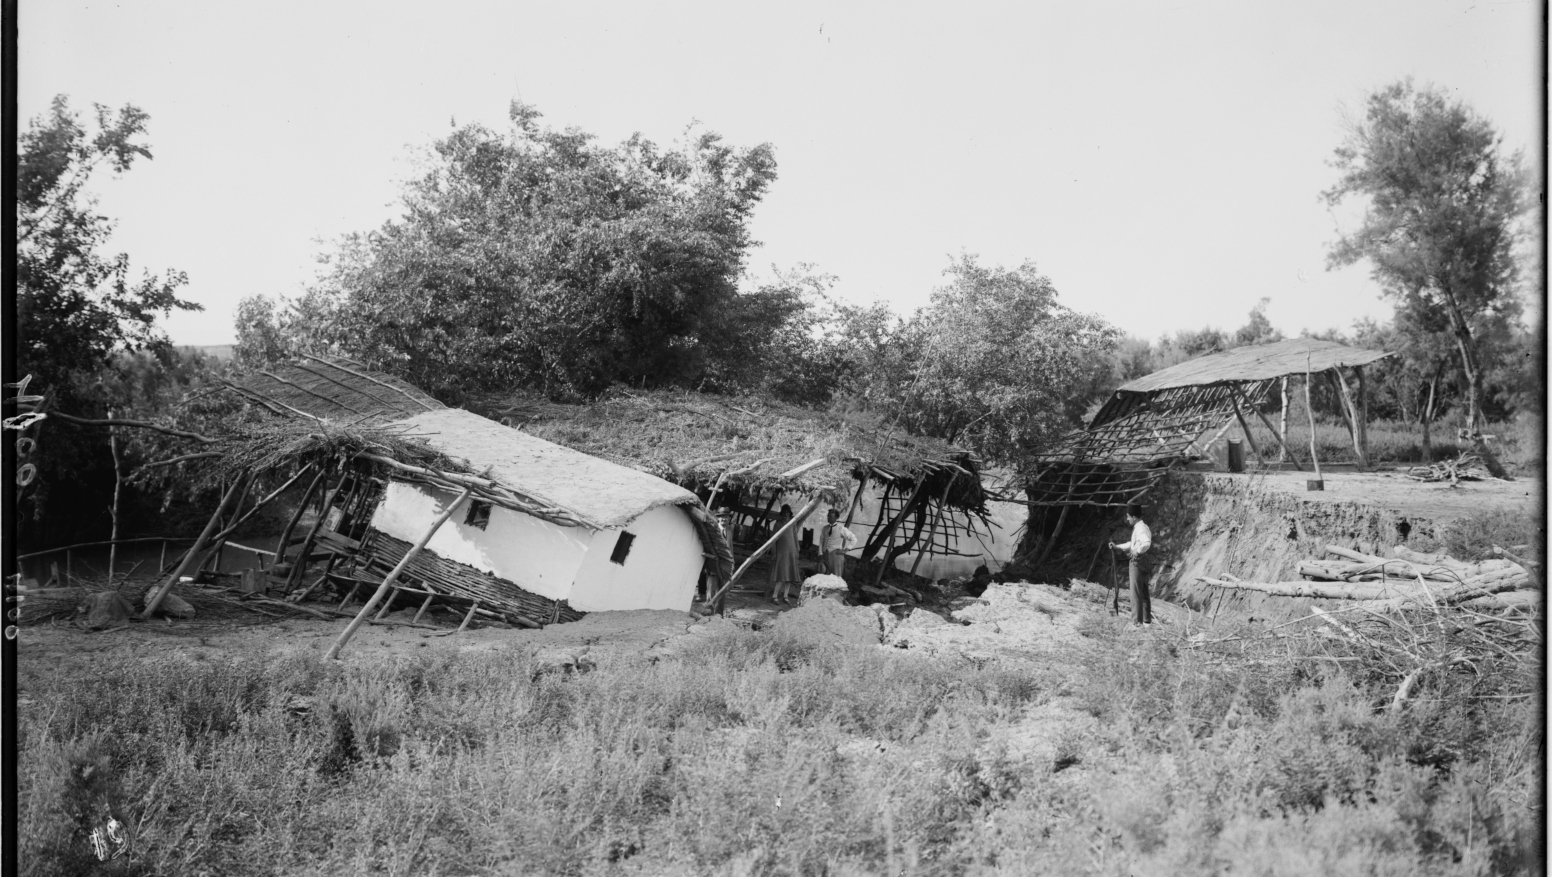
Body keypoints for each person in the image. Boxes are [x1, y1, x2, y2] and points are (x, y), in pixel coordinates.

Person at [1109, 502, 1153, 625]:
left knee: (1135, 593)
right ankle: (1146, 622)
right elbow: (1132, 543)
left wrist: (1136, 552)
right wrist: (1117, 546)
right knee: (1143, 592)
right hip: (1144, 561)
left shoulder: (1140, 528)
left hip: (1138, 562)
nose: (1127, 519)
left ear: (1134, 517)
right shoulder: (1143, 527)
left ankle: (1136, 623)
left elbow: (1146, 543)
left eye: (1128, 516)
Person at [766, 505, 802, 605]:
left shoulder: (792, 523)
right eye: (784, 512)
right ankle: (774, 596)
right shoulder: (778, 524)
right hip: (781, 552)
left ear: (790, 513)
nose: (786, 514)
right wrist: (774, 552)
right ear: (782, 513)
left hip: (792, 552)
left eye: (788, 512)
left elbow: (795, 537)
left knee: (789, 575)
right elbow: (773, 540)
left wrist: (797, 550)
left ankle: (785, 596)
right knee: (781, 575)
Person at [819, 509, 859, 578]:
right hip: (826, 554)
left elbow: (854, 539)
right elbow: (821, 541)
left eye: (830, 517)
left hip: (836, 556)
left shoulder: (841, 528)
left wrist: (846, 550)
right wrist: (820, 554)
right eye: (828, 516)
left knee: (836, 576)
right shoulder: (825, 528)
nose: (828, 518)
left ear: (836, 518)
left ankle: (836, 588)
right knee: (825, 575)